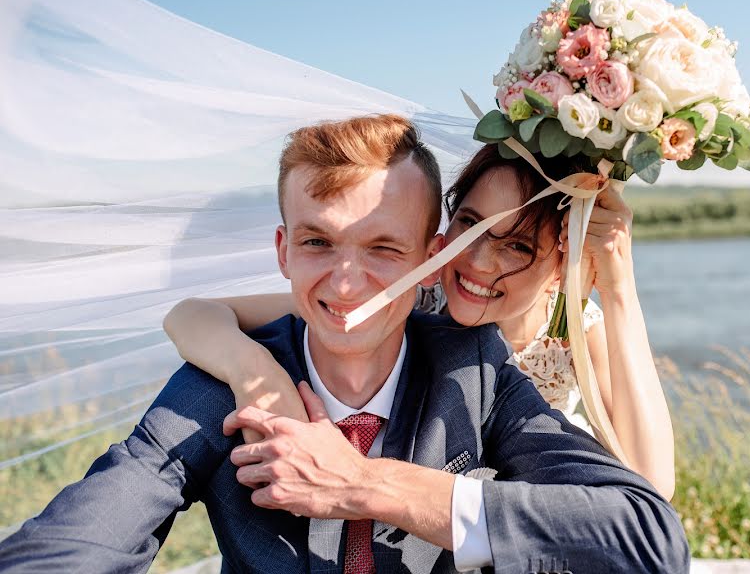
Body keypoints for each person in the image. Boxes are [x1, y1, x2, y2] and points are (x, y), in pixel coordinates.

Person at [0, 115, 689, 573]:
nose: (347, 283)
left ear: (426, 250)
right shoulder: (221, 384)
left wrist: (362, 483)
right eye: (318, 242)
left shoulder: (478, 367)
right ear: (283, 251)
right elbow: (79, 539)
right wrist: (252, 371)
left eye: (385, 247)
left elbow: (647, 527)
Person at [164, 142, 676, 500]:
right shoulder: (403, 300)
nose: (477, 262)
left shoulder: (573, 331)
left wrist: (618, 287)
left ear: (559, 265)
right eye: (470, 224)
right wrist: (257, 374)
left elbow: (652, 483)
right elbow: (191, 314)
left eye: (517, 245)